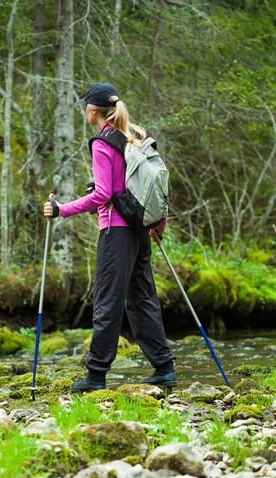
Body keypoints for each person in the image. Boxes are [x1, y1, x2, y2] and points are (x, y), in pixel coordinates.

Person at [44, 82, 176, 392]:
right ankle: (164, 367)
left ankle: (96, 376)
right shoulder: (135, 136)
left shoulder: (102, 143)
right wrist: (159, 223)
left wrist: (62, 209)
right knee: (142, 300)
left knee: (107, 301)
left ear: (93, 111)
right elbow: (152, 184)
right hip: (140, 229)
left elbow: (104, 194)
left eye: (85, 108)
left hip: (116, 232)